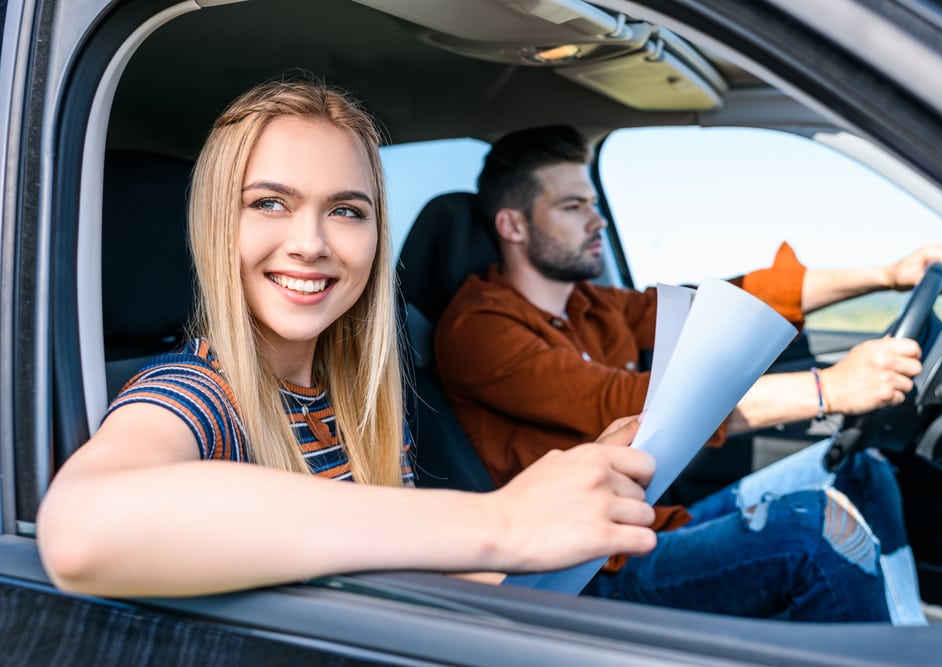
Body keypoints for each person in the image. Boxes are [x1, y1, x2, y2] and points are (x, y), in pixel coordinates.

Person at [35, 82, 663, 598]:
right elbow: (81, 529)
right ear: (216, 224)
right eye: (270, 203)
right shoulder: (197, 393)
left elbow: (424, 575)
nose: (311, 243)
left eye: (346, 210)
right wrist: (499, 520)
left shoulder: (358, 398)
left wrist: (569, 499)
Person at [435, 125, 942, 624]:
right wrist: (830, 389)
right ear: (513, 225)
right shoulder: (480, 329)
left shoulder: (593, 305)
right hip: (590, 567)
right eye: (573, 207)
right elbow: (638, 405)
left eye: (594, 203)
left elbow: (731, 302)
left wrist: (887, 276)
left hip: (648, 523)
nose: (598, 221)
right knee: (812, 527)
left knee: (863, 470)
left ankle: (906, 636)